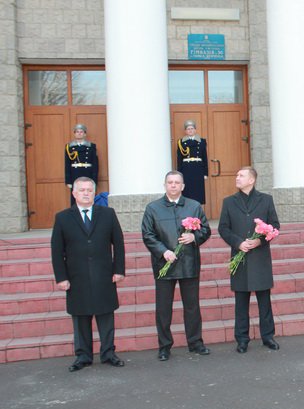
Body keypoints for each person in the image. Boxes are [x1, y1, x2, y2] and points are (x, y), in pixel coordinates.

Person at [51, 177, 125, 372]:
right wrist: (61, 277)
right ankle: (83, 356)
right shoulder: (63, 217)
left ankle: (108, 353)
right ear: (74, 193)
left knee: (106, 316)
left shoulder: (108, 214)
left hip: (104, 275)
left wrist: (119, 270)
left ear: (94, 193)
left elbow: (118, 243)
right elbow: (57, 250)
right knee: (81, 318)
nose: (85, 193)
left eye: (89, 190)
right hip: (77, 277)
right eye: (82, 190)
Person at [141, 171, 212, 361]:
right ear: (165, 185)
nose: (173, 185)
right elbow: (148, 234)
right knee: (163, 308)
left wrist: (194, 237)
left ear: (183, 186)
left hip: (188, 263)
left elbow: (206, 230)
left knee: (192, 306)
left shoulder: (194, 206)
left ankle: (195, 342)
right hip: (164, 264)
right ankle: (164, 346)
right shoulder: (153, 208)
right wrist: (163, 251)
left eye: (177, 182)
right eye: (170, 182)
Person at [218, 167, 281, 353]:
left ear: (251, 180)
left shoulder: (266, 200)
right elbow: (223, 228)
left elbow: (274, 226)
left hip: (259, 257)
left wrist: (258, 241)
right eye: (237, 175)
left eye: (241, 175)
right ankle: (242, 339)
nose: (237, 178)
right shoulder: (229, 202)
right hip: (240, 257)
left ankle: (268, 337)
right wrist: (238, 243)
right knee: (241, 301)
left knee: (264, 300)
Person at [65, 124, 98, 205]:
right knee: (75, 196)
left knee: (88, 194)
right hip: (75, 173)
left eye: (81, 132)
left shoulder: (91, 146)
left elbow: (95, 163)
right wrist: (68, 180)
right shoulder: (69, 147)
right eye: (77, 132)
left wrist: (94, 179)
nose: (79, 133)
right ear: (74, 134)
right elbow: (67, 164)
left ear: (85, 134)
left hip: (88, 172)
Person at [177, 120, 209, 204]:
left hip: (198, 169)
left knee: (198, 191)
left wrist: (205, 173)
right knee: (187, 191)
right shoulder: (181, 142)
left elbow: (205, 157)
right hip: (186, 169)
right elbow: (179, 159)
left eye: (192, 128)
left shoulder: (202, 141)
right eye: (188, 129)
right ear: (185, 131)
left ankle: (198, 212)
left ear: (195, 130)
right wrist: (179, 174)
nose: (190, 130)